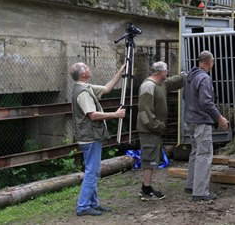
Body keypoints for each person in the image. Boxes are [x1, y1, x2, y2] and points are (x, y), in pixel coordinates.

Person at [68, 62, 126, 216]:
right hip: (90, 137)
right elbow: (92, 115)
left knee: (93, 170)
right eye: (86, 67)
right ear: (82, 74)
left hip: (89, 137)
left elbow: (107, 88)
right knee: (92, 172)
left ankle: (93, 204)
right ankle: (83, 207)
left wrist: (121, 71)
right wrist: (115, 115)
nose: (89, 68)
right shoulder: (84, 92)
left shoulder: (84, 87)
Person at [183, 50, 229, 201]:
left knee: (195, 153)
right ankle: (201, 192)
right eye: (213, 61)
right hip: (201, 121)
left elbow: (185, 97)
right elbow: (206, 102)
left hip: (190, 120)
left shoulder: (190, 77)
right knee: (204, 154)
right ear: (209, 62)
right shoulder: (204, 78)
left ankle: (191, 185)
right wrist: (219, 118)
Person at [137, 61, 186, 201]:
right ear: (160, 72)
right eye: (166, 70)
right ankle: (146, 190)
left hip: (154, 130)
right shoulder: (148, 86)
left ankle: (147, 187)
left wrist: (186, 76)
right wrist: (157, 125)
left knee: (152, 159)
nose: (168, 72)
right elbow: (144, 112)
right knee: (148, 160)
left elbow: (172, 82)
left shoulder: (160, 84)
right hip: (149, 130)